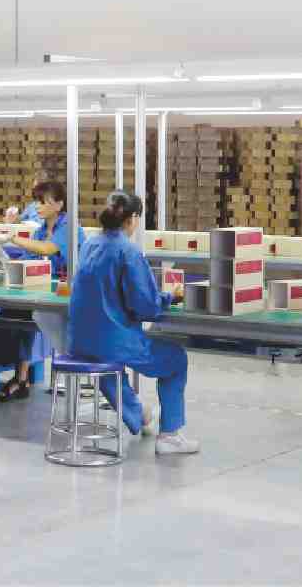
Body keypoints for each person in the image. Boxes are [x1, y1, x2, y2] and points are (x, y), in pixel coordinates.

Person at [68, 189, 198, 455]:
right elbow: (145, 306)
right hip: (112, 341)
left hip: (80, 342)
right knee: (175, 360)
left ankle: (138, 415)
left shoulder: (89, 245)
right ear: (133, 219)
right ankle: (170, 435)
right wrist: (169, 297)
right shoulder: (128, 252)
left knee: (107, 370)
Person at [0, 179, 85, 401]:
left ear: (59, 204)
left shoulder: (69, 228)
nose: (38, 206)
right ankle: (21, 378)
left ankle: (29, 376)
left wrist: (13, 238)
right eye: (37, 201)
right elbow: (29, 259)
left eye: (44, 202)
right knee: (13, 312)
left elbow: (48, 249)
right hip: (44, 292)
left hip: (69, 295)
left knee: (30, 316)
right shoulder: (40, 231)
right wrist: (0, 257)